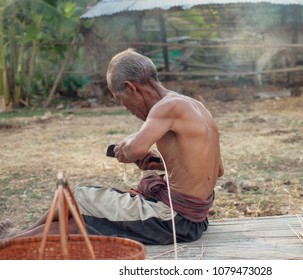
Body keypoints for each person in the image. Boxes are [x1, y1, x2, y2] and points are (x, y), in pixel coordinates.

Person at [0, 48, 224, 245]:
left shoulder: (167, 106)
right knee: (81, 212)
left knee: (76, 197)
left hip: (173, 220)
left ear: (131, 88)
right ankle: (21, 236)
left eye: (119, 98)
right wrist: (159, 163)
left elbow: (133, 150)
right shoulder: (196, 106)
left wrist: (122, 148)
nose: (126, 107)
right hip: (193, 220)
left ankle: (14, 240)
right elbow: (217, 170)